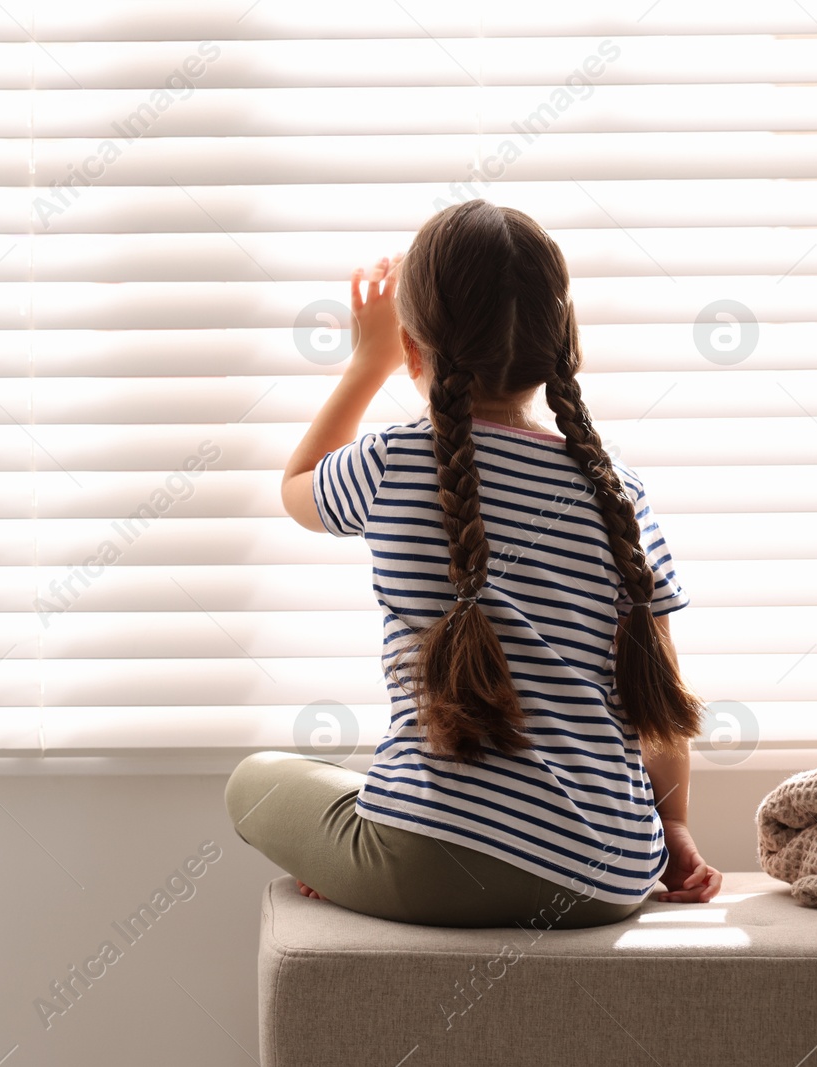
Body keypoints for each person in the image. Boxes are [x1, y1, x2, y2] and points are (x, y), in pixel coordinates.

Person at [225, 200, 723, 928]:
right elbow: (658, 698)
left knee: (256, 780)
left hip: (433, 863)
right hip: (609, 874)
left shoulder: (392, 460)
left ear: (414, 347)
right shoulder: (621, 494)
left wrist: (367, 364)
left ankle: (382, 846)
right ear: (564, 350)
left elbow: (297, 488)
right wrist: (672, 831)